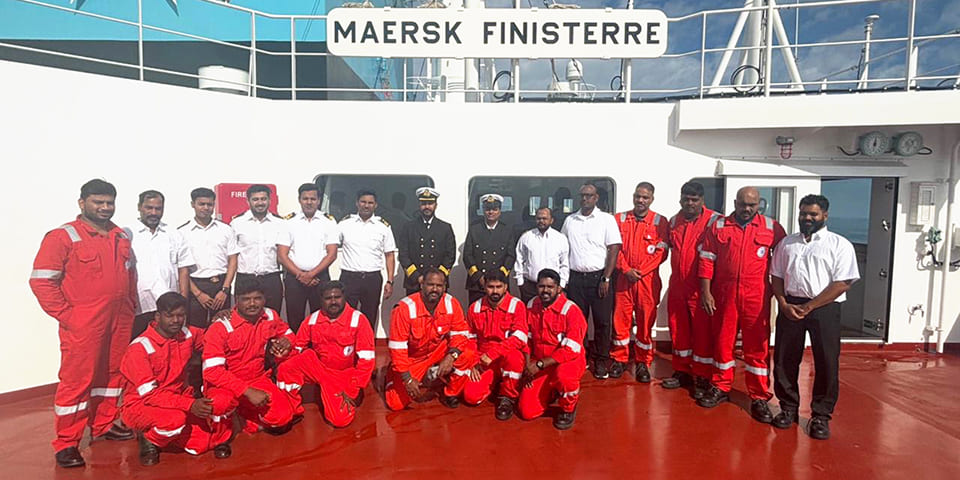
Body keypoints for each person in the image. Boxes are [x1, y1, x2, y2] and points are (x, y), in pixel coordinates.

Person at [30, 179, 137, 468]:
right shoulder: (63, 237)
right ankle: (67, 442)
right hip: (84, 323)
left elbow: (130, 276)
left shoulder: (120, 235)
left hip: (119, 320)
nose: (105, 208)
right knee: (77, 381)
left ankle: (103, 425)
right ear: (82, 203)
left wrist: (131, 307)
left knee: (112, 375)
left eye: (109, 202)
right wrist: (68, 316)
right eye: (98, 202)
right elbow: (41, 281)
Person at [771, 194, 859, 440]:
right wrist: (782, 303)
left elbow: (842, 283)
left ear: (825, 216)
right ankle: (788, 408)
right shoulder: (787, 244)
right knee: (785, 359)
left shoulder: (839, 244)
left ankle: (820, 415)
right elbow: (776, 276)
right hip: (790, 305)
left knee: (826, 361)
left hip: (824, 308)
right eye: (803, 214)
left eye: (813, 214)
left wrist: (810, 307)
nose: (807, 218)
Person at [697, 186, 786, 423]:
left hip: (756, 297)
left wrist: (782, 296)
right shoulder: (718, 227)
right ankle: (721, 386)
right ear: (735, 203)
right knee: (723, 343)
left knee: (757, 347)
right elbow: (706, 261)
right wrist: (706, 292)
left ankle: (758, 396)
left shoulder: (772, 228)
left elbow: (784, 262)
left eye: (752, 205)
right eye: (742, 204)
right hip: (724, 295)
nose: (747, 209)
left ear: (759, 204)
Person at [120, 293, 232, 465]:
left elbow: (214, 338)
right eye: (169, 315)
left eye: (180, 315)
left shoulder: (187, 334)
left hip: (178, 400)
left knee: (201, 445)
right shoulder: (139, 348)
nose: (175, 321)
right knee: (174, 421)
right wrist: (190, 405)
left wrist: (220, 321)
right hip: (142, 405)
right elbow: (150, 395)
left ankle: (170, 432)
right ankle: (149, 438)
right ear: (157, 317)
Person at [202, 279, 297, 435]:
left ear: (264, 299)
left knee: (283, 417)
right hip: (225, 384)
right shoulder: (221, 326)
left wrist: (287, 341)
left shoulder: (270, 315)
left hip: (257, 378)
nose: (252, 304)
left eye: (257, 298)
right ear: (236, 299)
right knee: (221, 403)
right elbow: (212, 372)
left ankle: (244, 412)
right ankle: (221, 437)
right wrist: (247, 391)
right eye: (246, 299)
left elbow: (289, 335)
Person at [276, 281, 375, 428]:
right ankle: (292, 409)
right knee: (286, 367)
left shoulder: (358, 320)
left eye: (337, 297)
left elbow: (366, 360)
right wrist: (283, 355)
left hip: (343, 373)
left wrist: (354, 389)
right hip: (319, 368)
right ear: (321, 300)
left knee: (340, 421)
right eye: (328, 298)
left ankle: (337, 392)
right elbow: (297, 348)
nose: (333, 301)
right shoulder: (312, 320)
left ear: (344, 297)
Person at [385, 268, 475, 410]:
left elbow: (460, 334)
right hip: (413, 358)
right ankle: (392, 374)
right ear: (422, 284)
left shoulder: (451, 303)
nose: (435, 289)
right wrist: (407, 378)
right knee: (395, 404)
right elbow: (398, 349)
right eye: (430, 284)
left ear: (444, 287)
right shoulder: (404, 308)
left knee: (468, 353)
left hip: (436, 351)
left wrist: (452, 356)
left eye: (439, 286)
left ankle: (450, 392)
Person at [664, 182, 721, 395]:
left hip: (701, 288)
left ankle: (703, 376)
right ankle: (681, 371)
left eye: (694, 199)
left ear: (702, 201)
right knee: (678, 330)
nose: (690, 203)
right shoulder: (673, 222)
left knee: (702, 334)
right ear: (680, 199)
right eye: (686, 198)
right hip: (678, 285)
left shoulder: (715, 221)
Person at [561, 182, 622, 379]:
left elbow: (613, 249)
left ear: (596, 198)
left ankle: (602, 360)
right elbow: (562, 248)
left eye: (589, 195)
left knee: (603, 322)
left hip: (599, 278)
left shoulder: (606, 219)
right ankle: (581, 357)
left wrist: (606, 277)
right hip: (576, 279)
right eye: (582, 195)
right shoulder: (570, 220)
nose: (585, 199)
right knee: (578, 322)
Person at [612, 182, 670, 382]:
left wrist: (641, 271)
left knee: (646, 323)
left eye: (645, 197)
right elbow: (614, 248)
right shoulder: (619, 219)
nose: (640, 200)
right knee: (621, 321)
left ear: (652, 199)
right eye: (638, 196)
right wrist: (626, 269)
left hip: (647, 281)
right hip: (624, 280)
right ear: (633, 196)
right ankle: (619, 359)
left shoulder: (660, 222)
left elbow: (662, 252)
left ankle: (643, 363)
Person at [517, 269, 587, 430]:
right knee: (527, 412)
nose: (545, 290)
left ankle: (568, 408)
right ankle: (552, 390)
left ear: (559, 289)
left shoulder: (571, 311)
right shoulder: (531, 305)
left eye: (550, 287)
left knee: (564, 377)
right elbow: (526, 339)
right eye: (541, 286)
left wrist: (539, 365)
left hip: (568, 361)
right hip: (541, 362)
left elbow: (571, 349)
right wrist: (528, 367)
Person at [126, 190, 194, 339]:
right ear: (139, 207)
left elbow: (183, 268)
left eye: (158, 208)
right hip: (139, 305)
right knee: (139, 348)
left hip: (168, 307)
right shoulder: (127, 234)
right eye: (149, 208)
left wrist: (183, 300)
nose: (154, 212)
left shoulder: (173, 234)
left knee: (168, 349)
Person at [462, 271, 528, 420]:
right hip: (483, 358)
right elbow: (470, 338)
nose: (495, 291)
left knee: (515, 357)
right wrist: (473, 362)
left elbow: (519, 338)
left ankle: (507, 396)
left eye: (499, 287)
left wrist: (493, 354)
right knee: (471, 398)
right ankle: (495, 382)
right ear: (484, 287)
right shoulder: (475, 308)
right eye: (491, 287)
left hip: (507, 354)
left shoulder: (517, 306)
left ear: (505, 287)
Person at [278, 183, 339, 332]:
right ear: (299, 200)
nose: (309, 202)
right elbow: (282, 255)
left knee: (321, 317)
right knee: (294, 317)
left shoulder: (328, 221)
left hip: (320, 277)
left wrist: (311, 274)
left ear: (318, 200)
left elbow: (332, 254)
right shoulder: (288, 222)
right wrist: (301, 275)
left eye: (313, 198)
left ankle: (318, 350)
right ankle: (296, 350)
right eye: (305, 198)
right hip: (294, 277)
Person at [178, 188, 239, 328]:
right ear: (192, 204)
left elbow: (233, 260)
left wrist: (225, 289)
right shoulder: (182, 232)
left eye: (210, 204)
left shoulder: (226, 229)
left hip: (221, 286)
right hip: (195, 287)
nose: (206, 208)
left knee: (223, 328)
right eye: (201, 204)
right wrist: (198, 294)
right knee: (195, 330)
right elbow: (181, 268)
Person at [337, 190, 397, 332]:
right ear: (357, 203)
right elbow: (331, 247)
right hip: (349, 277)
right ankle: (347, 348)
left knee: (370, 316)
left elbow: (389, 255)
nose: (366, 206)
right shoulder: (345, 224)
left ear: (375, 205)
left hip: (372, 278)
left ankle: (367, 348)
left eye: (370, 203)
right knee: (346, 316)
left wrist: (390, 281)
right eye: (363, 202)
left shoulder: (383, 227)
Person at [233, 184, 285, 312]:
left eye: (263, 199)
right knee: (244, 318)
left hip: (271, 279)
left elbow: (284, 253)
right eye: (255, 199)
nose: (260, 203)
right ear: (248, 201)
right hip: (245, 278)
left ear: (269, 200)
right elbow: (232, 255)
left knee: (272, 318)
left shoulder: (280, 223)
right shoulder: (237, 223)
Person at [396, 187, 456, 295]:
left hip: (437, 284)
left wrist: (437, 278)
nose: (427, 206)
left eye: (430, 203)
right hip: (415, 282)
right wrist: (417, 277)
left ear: (435, 206)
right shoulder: (408, 227)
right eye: (424, 203)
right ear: (419, 205)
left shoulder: (445, 228)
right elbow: (403, 255)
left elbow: (450, 255)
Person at [462, 193, 516, 304]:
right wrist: (478, 276)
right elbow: (467, 255)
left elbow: (511, 256)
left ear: (500, 211)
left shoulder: (507, 231)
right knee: (476, 313)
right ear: (483, 210)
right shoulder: (474, 230)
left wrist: (500, 277)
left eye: (494, 209)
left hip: (499, 284)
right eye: (487, 209)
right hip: (477, 284)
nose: (491, 212)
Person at [514, 207, 570, 304]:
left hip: (552, 288)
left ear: (551, 220)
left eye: (544, 218)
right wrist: (520, 283)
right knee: (531, 315)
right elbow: (519, 259)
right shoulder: (526, 237)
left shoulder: (560, 238)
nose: (541, 221)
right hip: (530, 287)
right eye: (538, 218)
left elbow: (564, 263)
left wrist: (562, 284)